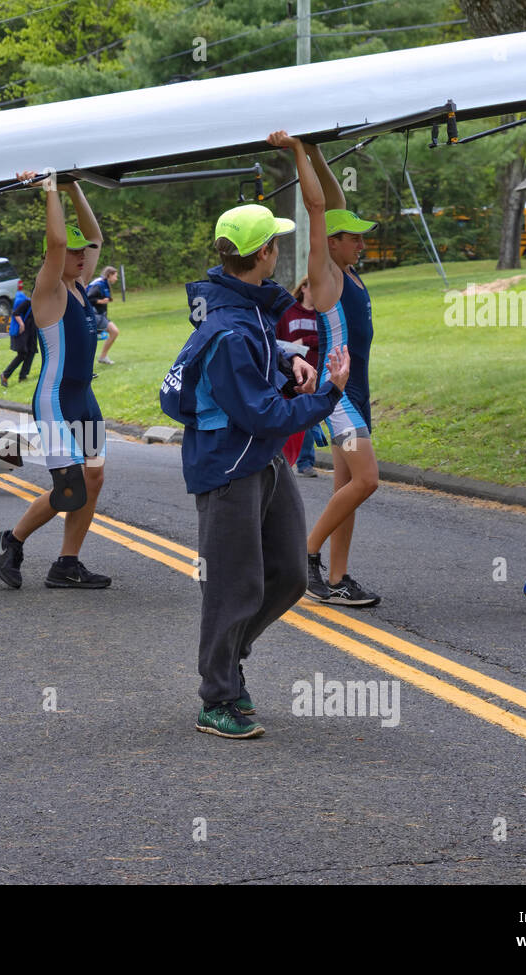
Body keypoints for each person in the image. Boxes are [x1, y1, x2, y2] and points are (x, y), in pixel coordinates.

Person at [165, 133, 351, 740]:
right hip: (229, 469)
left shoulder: (245, 312)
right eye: (276, 246)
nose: (281, 255)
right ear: (264, 254)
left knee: (291, 575)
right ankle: (217, 695)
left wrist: (285, 356)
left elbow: (255, 365)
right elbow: (265, 414)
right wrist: (327, 392)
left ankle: (229, 660)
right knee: (233, 585)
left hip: (260, 462)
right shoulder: (230, 328)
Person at [0, 173, 112, 590]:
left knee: (93, 479)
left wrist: (74, 186)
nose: (81, 255)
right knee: (71, 489)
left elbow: (93, 236)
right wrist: (49, 190)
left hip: (84, 398)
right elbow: (58, 245)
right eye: (73, 252)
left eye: (82, 253)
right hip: (55, 400)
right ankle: (11, 540)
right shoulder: (49, 290)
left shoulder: (78, 285)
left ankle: (67, 564)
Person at [300, 141, 383, 608]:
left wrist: (314, 149)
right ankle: (306, 555)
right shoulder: (326, 275)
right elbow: (320, 206)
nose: (361, 241)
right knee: (366, 481)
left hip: (360, 392)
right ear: (332, 243)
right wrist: (297, 153)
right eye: (353, 236)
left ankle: (338, 577)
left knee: (347, 489)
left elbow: (335, 203)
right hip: (341, 394)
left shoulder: (351, 273)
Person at [276, 277, 324, 476]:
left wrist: (306, 339)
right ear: (304, 288)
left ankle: (305, 462)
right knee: (295, 414)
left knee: (312, 415)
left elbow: (329, 338)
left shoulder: (323, 315)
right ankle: (286, 459)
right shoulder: (288, 311)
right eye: (314, 287)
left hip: (317, 371)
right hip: (290, 372)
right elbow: (276, 339)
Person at [0, 284, 35, 387]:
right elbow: (16, 313)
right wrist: (21, 324)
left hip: (31, 333)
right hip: (22, 333)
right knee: (22, 354)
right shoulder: (28, 302)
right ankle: (5, 375)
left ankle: (23, 376)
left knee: (31, 352)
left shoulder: (36, 303)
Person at [86, 265, 120, 364]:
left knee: (113, 332)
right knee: (114, 332)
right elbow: (88, 298)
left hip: (100, 315)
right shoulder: (99, 284)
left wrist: (106, 299)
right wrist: (100, 301)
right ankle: (101, 357)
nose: (116, 279)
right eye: (115, 276)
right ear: (109, 275)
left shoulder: (104, 283)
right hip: (95, 315)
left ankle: (102, 357)